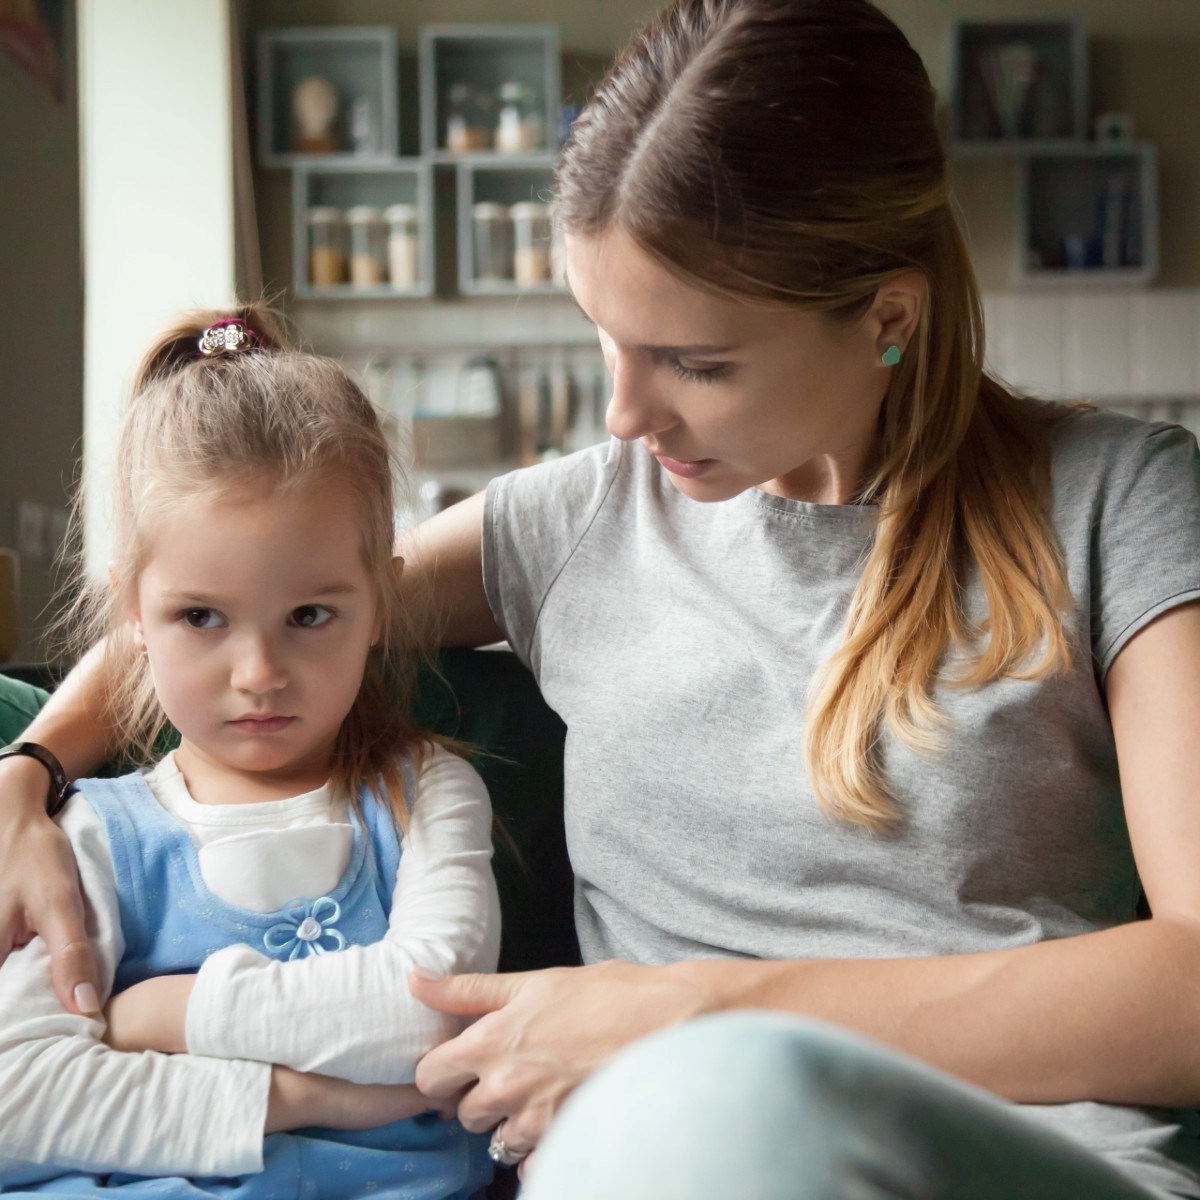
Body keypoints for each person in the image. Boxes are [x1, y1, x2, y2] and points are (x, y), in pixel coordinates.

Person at [2, 0, 1200, 1196]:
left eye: (698, 362)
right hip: (643, 1164)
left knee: (745, 1104)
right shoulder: (579, 524)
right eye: (605, 338)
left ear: (886, 316)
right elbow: (244, 603)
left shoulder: (1120, 506)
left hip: (1008, 1157)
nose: (624, 415)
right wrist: (31, 770)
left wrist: (694, 1014)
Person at [0, 307, 500, 1197]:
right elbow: (14, 1103)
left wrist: (165, 1015)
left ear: (380, 600)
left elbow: (435, 1010)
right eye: (201, 618)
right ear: (133, 618)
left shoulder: (425, 793)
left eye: (310, 616)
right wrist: (295, 1098)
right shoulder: (91, 837)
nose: (260, 673)